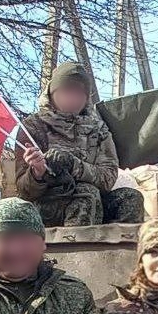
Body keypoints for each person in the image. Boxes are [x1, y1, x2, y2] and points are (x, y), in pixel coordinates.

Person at [13, 61, 144, 227]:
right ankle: (73, 244)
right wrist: (37, 173)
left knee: (130, 198)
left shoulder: (98, 129)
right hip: (46, 206)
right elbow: (24, 191)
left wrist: (73, 165)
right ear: (52, 93)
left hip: (92, 201)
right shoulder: (33, 126)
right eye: (67, 91)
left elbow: (108, 178)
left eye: (79, 93)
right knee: (86, 195)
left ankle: (118, 245)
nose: (73, 98)